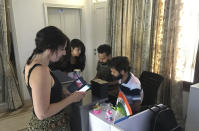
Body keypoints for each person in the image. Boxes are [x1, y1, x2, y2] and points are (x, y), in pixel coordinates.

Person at [24, 26, 85, 130]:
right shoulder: (40, 70)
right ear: (50, 48)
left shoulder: (34, 62)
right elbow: (42, 113)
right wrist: (71, 99)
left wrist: (61, 90)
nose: (65, 53)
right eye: (62, 49)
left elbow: (44, 89)